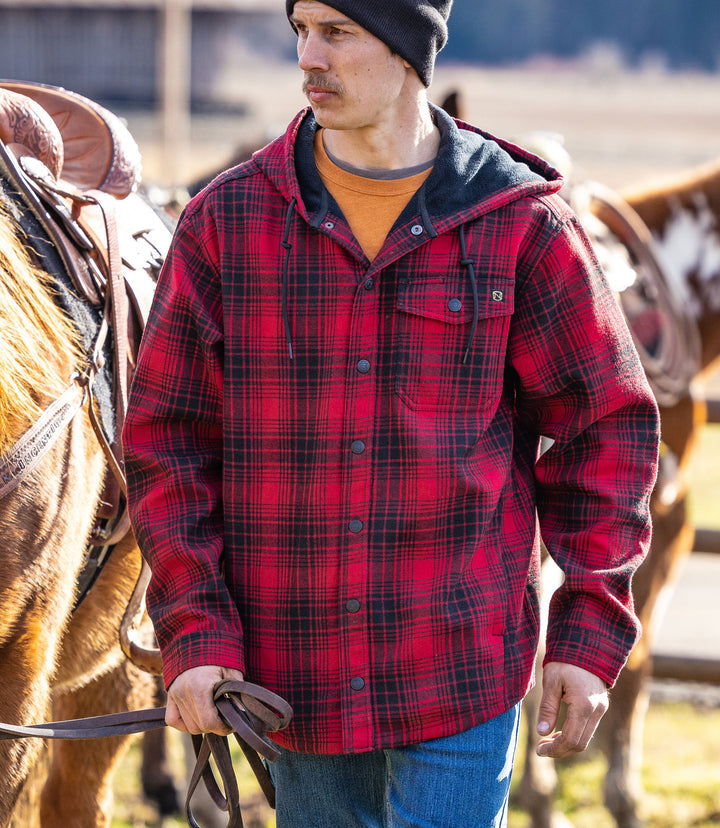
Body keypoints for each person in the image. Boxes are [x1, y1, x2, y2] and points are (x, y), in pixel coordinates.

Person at [123, 1, 660, 825]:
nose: (308, 57)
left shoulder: (520, 225)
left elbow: (607, 429)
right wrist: (197, 636)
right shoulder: (225, 225)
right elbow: (168, 445)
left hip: (460, 674)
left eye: (337, 33)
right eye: (300, 28)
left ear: (411, 48)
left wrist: (588, 633)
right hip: (289, 686)